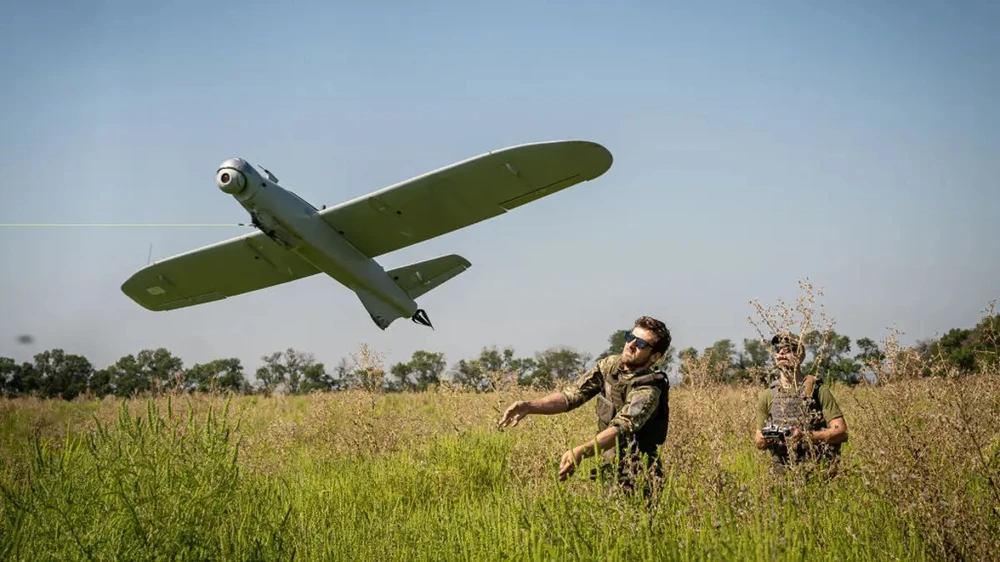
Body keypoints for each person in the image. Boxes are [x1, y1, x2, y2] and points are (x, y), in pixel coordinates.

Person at [498, 315, 672, 492]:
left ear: (654, 356)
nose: (631, 345)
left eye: (641, 344)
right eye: (630, 337)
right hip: (608, 462)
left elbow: (620, 429)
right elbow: (572, 395)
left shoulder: (648, 390)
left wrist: (581, 451)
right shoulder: (610, 366)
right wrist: (529, 406)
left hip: (640, 472)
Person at [754, 332, 849, 475]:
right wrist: (768, 438)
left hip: (819, 473)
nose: (782, 353)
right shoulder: (767, 396)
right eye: (778, 350)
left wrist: (805, 436)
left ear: (801, 355)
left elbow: (841, 432)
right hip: (782, 477)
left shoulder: (818, 391)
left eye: (788, 349)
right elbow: (758, 442)